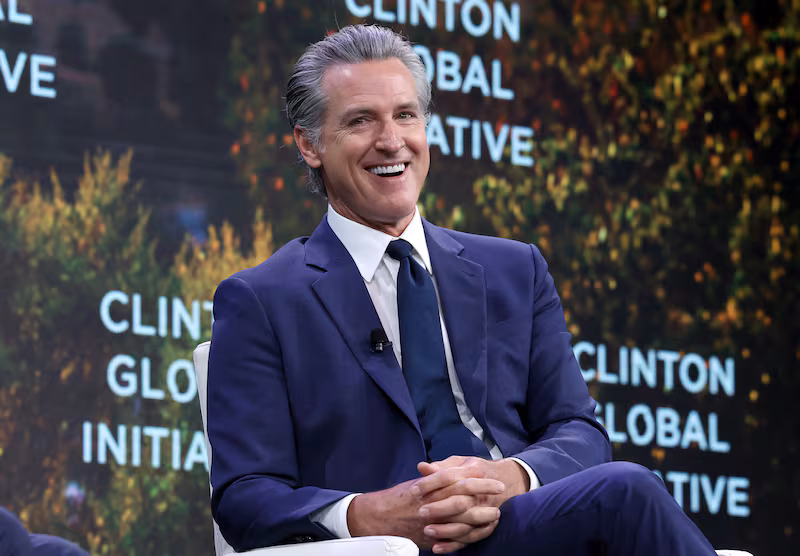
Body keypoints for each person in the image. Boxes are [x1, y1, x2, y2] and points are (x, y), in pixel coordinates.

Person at [207, 24, 718, 555]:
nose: (391, 140)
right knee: (627, 492)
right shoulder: (262, 300)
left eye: (406, 115)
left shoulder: (515, 268)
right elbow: (245, 497)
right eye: (361, 121)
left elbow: (580, 431)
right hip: (395, 549)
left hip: (521, 526)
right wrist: (366, 514)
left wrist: (508, 479)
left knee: (624, 492)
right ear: (309, 143)